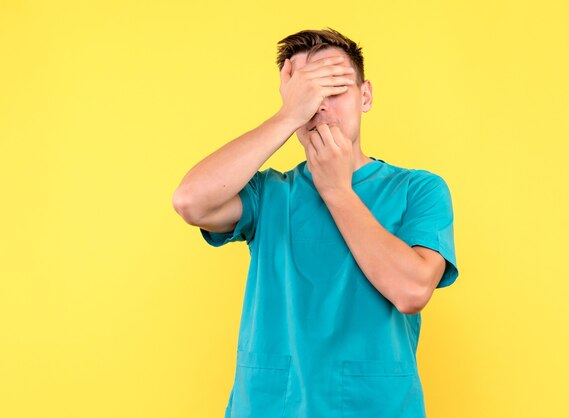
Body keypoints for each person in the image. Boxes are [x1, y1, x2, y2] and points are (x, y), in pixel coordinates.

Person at [172, 27, 459, 418]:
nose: (320, 107)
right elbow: (191, 201)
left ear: (366, 96)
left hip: (375, 407)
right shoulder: (269, 194)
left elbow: (411, 291)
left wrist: (337, 189)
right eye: (308, 95)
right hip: (271, 407)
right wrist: (289, 115)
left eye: (335, 90)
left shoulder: (418, 189)